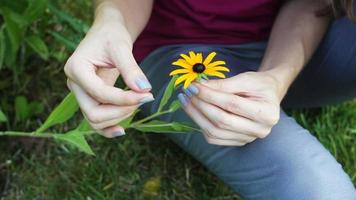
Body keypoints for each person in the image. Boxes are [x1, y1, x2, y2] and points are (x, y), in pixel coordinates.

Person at [64, 0, 356, 199]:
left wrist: (276, 77)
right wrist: (111, 22)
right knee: (319, 190)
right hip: (183, 50)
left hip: (304, 37)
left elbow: (310, 3)